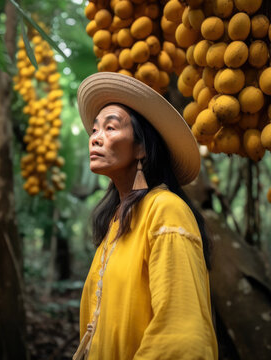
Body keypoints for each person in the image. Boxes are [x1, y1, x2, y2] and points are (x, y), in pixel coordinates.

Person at [74, 72, 218, 360]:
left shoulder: (166, 210)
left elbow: (180, 334)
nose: (95, 139)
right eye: (94, 131)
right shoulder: (115, 221)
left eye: (110, 128)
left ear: (141, 147)